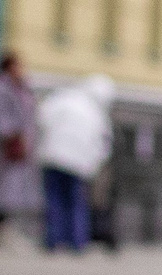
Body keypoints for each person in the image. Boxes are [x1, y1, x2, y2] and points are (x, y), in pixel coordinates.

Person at [35, 74, 114, 253]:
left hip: (53, 157)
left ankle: (53, 240)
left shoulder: (63, 98)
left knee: (54, 199)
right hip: (79, 165)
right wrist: (93, 166)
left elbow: (41, 118)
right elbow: (103, 145)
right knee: (76, 202)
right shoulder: (96, 114)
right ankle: (77, 242)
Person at [0, 53, 39, 245]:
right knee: (0, 189)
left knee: (13, 189)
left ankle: (7, 227)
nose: (21, 70)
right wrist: (11, 134)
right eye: (18, 66)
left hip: (20, 147)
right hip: (4, 147)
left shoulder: (22, 88)